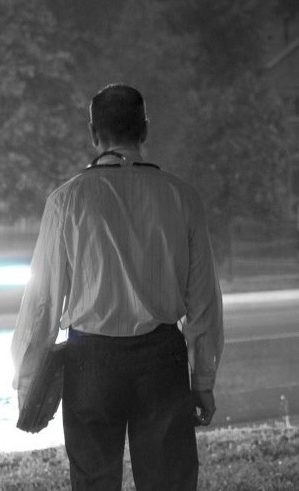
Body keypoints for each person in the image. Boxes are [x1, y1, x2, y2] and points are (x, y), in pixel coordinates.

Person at [11, 83, 224, 491]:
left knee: (93, 481)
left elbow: (42, 304)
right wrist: (203, 381)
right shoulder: (182, 198)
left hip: (90, 361)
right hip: (162, 361)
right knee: (169, 483)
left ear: (94, 134)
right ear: (145, 130)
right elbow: (203, 302)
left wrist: (28, 384)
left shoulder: (67, 201)